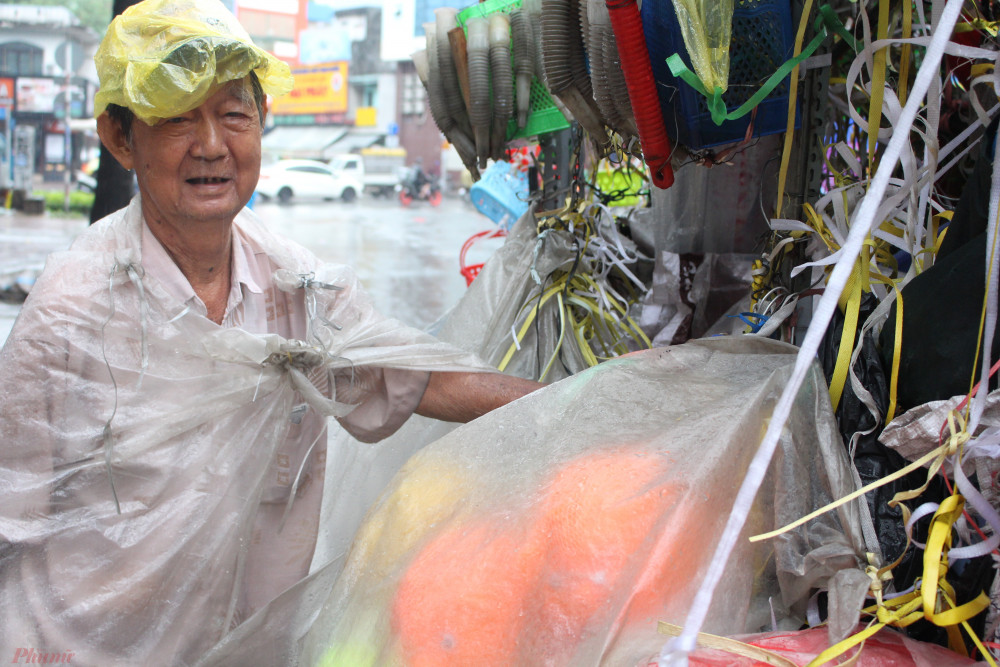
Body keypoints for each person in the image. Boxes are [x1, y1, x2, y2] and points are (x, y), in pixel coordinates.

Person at [0, 0, 540, 663]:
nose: (210, 145)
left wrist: (586, 403)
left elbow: (415, 374)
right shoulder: (67, 313)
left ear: (262, 123)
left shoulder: (297, 286)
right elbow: (11, 515)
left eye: (233, 114)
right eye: (175, 117)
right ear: (120, 138)